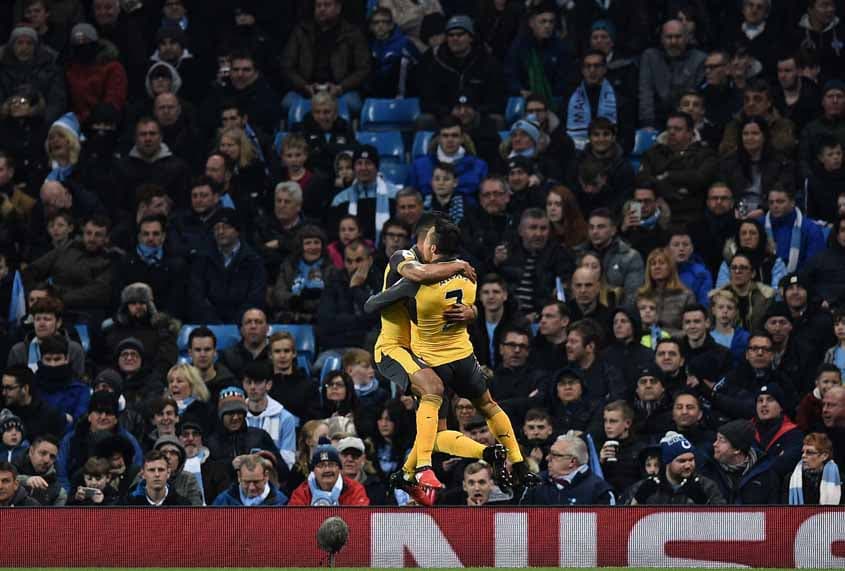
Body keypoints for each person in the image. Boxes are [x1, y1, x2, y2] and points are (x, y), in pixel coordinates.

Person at [365, 219, 537, 492]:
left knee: (435, 427)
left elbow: (384, 300)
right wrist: (462, 280)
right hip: (425, 352)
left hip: (424, 356)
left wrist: (472, 312)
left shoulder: (426, 278)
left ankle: (431, 467)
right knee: (471, 402)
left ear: (431, 246)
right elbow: (422, 282)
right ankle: (425, 469)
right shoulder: (444, 268)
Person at [281, 0, 370, 118]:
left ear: (338, 8)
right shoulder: (301, 31)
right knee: (287, 103)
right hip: (306, 90)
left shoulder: (352, 33)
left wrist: (341, 88)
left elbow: (363, 68)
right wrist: (304, 86)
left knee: (353, 104)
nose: (322, 9)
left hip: (341, 90)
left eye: (327, 5)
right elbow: (286, 66)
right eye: (318, 5)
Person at [417, 14, 505, 125]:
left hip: (477, 116)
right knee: (424, 120)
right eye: (450, 35)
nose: (455, 38)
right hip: (446, 117)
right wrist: (449, 111)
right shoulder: (434, 63)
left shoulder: (488, 62)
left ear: (471, 37)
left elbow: (497, 100)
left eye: (460, 34)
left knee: (497, 120)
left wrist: (473, 111)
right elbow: (427, 101)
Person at [638, 112, 719, 231]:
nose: (671, 132)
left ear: (690, 132)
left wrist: (667, 176)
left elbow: (700, 178)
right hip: (657, 212)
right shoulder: (652, 153)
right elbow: (642, 179)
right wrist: (669, 189)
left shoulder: (705, 154)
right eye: (669, 128)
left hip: (692, 216)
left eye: (677, 129)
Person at [24, 214, 115, 317]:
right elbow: (33, 269)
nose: (91, 239)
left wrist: (55, 297)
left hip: (81, 312)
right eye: (88, 233)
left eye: (98, 235)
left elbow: (96, 293)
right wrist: (37, 289)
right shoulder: (68, 247)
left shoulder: (109, 261)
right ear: (83, 233)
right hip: (49, 304)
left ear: (106, 238)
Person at [189, 208, 267, 323]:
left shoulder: (253, 260)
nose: (220, 232)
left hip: (243, 324)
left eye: (225, 227)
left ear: (237, 230)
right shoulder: (203, 258)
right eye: (216, 228)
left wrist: (238, 321)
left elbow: (255, 297)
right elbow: (197, 294)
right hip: (209, 323)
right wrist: (213, 321)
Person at [495, 208, 574, 320]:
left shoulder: (559, 255)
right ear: (521, 231)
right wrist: (495, 263)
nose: (538, 234)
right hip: (507, 317)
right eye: (533, 228)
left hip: (542, 318)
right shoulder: (508, 253)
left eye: (543, 229)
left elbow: (562, 291)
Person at [638, 19, 706, 129]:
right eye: (669, 37)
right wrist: (647, 123)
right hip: (657, 120)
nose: (673, 41)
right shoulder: (650, 56)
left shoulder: (700, 59)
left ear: (687, 38)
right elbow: (646, 93)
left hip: (689, 121)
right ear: (662, 39)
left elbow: (696, 96)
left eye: (678, 37)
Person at [627, 431, 726, 505]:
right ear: (667, 462)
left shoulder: (707, 486)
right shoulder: (645, 487)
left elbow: (722, 525)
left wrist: (704, 503)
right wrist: (637, 501)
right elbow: (622, 522)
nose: (688, 465)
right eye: (681, 461)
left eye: (691, 460)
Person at [565, 50, 633, 152]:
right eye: (587, 66)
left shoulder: (620, 99)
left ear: (605, 69)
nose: (592, 70)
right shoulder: (570, 99)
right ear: (582, 70)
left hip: (611, 159)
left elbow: (627, 139)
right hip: (578, 158)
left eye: (597, 66)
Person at [699, 419, 781, 504]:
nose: (715, 444)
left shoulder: (766, 475)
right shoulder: (708, 470)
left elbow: (773, 513)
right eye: (716, 439)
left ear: (737, 449)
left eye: (721, 440)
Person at [504, 3, 574, 102]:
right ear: (531, 23)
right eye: (543, 21)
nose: (547, 26)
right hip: (525, 98)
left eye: (551, 22)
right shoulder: (520, 46)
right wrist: (520, 90)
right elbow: (511, 74)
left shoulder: (560, 48)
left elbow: (563, 79)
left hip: (553, 99)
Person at [328, 145, 399, 244]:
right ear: (354, 168)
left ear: (376, 167)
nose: (363, 168)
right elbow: (334, 234)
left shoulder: (394, 195)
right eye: (359, 163)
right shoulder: (340, 199)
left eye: (368, 163)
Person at [407, 116, 488, 201]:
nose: (450, 140)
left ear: (462, 139)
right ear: (438, 139)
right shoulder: (419, 166)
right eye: (445, 136)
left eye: (455, 135)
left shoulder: (479, 166)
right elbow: (409, 199)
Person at [520, 434, 615, 506]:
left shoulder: (600, 490)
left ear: (572, 462)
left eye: (555, 455)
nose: (547, 458)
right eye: (549, 453)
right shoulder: (535, 482)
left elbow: (609, 528)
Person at [574, 208, 644, 304]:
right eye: (591, 227)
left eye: (601, 227)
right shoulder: (577, 255)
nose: (595, 231)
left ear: (613, 230)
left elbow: (632, 295)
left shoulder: (630, 257)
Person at [717, 219, 787, 291]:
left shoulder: (775, 263)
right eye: (743, 233)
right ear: (738, 238)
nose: (747, 237)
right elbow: (721, 291)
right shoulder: (728, 263)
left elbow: (778, 292)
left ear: (761, 237)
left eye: (753, 233)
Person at [288, 444, 370, 506]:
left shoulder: (355, 489)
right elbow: (294, 523)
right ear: (313, 471)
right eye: (321, 465)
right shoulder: (302, 492)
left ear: (339, 468)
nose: (327, 470)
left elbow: (360, 519)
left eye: (331, 464)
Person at [1, 366, 65, 440]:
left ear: (25, 388)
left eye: (9, 388)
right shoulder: (4, 411)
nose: (3, 393)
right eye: (3, 387)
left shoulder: (49, 415)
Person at [185, 327, 237, 406]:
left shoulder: (229, 384)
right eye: (198, 350)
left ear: (215, 352)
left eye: (207, 349)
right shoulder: (179, 382)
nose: (202, 354)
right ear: (190, 353)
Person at [212, 453, 288, 506]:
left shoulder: (282, 503)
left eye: (256, 482)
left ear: (266, 476)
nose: (252, 487)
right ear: (239, 476)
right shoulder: (223, 501)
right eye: (247, 482)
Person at [786, 432, 842, 504]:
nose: (803, 456)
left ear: (824, 456)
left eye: (809, 452)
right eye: (803, 452)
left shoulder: (839, 479)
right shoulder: (790, 479)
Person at [218, 308, 269, 381]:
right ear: (241, 329)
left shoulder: (277, 354)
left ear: (267, 328)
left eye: (258, 322)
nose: (253, 326)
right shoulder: (227, 356)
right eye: (248, 322)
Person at [124, 450, 189, 506]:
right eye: (151, 470)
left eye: (161, 470)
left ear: (168, 473)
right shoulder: (127, 504)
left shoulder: (183, 505)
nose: (157, 474)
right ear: (143, 474)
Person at [12, 434, 63, 505]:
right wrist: (25, 480)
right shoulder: (12, 467)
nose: (47, 460)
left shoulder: (59, 493)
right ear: (31, 451)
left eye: (52, 457)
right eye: (43, 453)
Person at [708, 289, 751, 365]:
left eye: (729, 308)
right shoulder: (706, 337)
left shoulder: (745, 337)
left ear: (735, 312)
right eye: (721, 307)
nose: (725, 311)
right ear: (713, 310)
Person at [797, 364, 842, 432]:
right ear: (817, 383)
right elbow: (802, 427)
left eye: (835, 382)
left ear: (840, 384)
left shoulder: (843, 403)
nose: (830, 386)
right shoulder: (808, 402)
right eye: (825, 382)